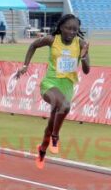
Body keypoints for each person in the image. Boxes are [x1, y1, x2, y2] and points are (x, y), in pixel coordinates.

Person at [15, 14, 89, 169]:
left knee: (52, 121)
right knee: (65, 106)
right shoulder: (51, 40)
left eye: (75, 29)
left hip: (67, 86)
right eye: (68, 28)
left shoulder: (81, 44)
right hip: (50, 84)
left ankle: (42, 148)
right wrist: (25, 65)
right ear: (61, 27)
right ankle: (55, 137)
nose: (71, 32)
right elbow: (33, 45)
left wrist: (83, 57)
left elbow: (87, 71)